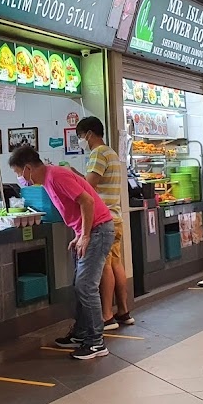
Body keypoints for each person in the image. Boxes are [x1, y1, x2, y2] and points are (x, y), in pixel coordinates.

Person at [9, 145, 114, 360]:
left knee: (86, 286)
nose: (20, 178)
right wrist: (79, 234)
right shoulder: (48, 179)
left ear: (28, 168)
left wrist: (85, 235)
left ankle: (96, 342)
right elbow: (75, 208)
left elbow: (87, 201)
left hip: (98, 230)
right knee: (81, 285)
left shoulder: (56, 176)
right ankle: (82, 333)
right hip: (90, 231)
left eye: (19, 173)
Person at [75, 116, 133, 330]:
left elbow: (88, 187)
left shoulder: (98, 153)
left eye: (80, 136)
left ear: (89, 134)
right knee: (117, 263)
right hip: (116, 216)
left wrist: (71, 176)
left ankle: (107, 316)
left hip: (103, 219)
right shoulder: (112, 153)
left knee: (105, 266)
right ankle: (123, 311)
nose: (81, 140)